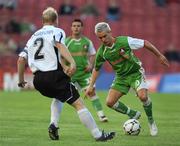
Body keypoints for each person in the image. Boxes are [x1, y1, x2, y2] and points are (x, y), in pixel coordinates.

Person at [17, 8, 115, 141]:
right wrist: (72, 62)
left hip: (38, 80)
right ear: (56, 20)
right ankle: (98, 135)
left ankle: (53, 124)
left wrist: (21, 80)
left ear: (43, 21)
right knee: (79, 104)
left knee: (58, 97)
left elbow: (21, 59)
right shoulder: (57, 31)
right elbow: (60, 46)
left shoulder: (33, 36)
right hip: (54, 76)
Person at [85, 22, 169, 136]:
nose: (103, 39)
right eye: (100, 38)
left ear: (110, 32)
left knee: (143, 97)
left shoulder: (124, 41)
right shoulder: (102, 52)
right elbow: (96, 68)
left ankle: (151, 122)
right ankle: (132, 113)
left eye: (105, 36)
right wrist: (90, 86)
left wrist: (159, 55)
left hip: (135, 73)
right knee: (109, 102)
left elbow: (145, 43)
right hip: (121, 77)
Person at [57, 19, 108, 122]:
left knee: (91, 92)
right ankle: (56, 118)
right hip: (70, 74)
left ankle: (101, 115)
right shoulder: (66, 42)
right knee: (62, 95)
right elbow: (60, 57)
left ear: (82, 28)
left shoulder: (87, 41)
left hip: (84, 73)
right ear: (71, 28)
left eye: (78, 26)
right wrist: (65, 67)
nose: (76, 27)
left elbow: (93, 54)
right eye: (74, 26)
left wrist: (90, 64)